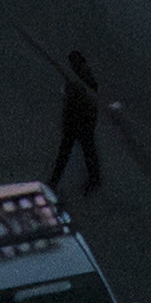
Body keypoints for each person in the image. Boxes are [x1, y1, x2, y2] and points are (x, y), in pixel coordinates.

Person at [49, 47, 103, 194]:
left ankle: (55, 181)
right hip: (81, 122)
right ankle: (94, 178)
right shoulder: (83, 78)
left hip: (78, 122)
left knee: (67, 152)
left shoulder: (80, 80)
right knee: (85, 151)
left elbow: (76, 102)